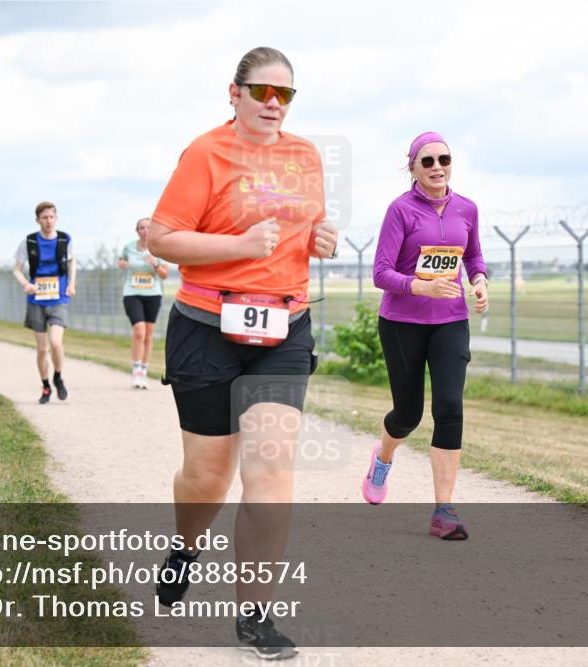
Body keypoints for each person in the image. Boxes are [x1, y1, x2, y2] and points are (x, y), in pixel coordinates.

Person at [148, 46, 338, 660]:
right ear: (234, 93)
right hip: (207, 324)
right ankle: (185, 545)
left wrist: (321, 237)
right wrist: (239, 242)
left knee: (271, 472)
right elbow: (164, 237)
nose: (273, 105)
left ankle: (255, 616)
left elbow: (303, 228)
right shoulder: (206, 152)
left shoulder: (305, 155)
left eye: (285, 94)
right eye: (262, 92)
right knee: (208, 476)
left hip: (284, 328)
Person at [364, 131, 489, 541]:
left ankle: (444, 511)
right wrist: (422, 286)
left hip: (451, 319)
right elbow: (381, 273)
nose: (438, 167)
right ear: (413, 168)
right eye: (428, 161)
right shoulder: (400, 211)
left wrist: (479, 280)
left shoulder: (467, 208)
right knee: (408, 415)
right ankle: (383, 459)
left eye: (444, 160)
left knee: (450, 407)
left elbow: (472, 253)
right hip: (402, 322)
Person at [13, 201, 75, 404]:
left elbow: (72, 261)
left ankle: (58, 376)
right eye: (44, 218)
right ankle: (46, 385)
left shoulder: (65, 239)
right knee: (41, 349)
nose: (48, 221)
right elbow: (17, 269)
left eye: (51, 217)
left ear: (56, 218)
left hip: (59, 297)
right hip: (36, 298)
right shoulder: (29, 242)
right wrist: (25, 284)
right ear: (37, 220)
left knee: (56, 342)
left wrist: (72, 283)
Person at [119, 217, 170, 388]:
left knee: (148, 335)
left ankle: (144, 371)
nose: (145, 231)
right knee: (139, 331)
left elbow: (164, 274)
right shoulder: (129, 248)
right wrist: (124, 263)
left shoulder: (158, 248)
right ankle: (136, 371)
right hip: (132, 293)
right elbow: (120, 262)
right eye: (141, 228)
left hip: (153, 294)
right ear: (137, 231)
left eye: (148, 227)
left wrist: (155, 264)